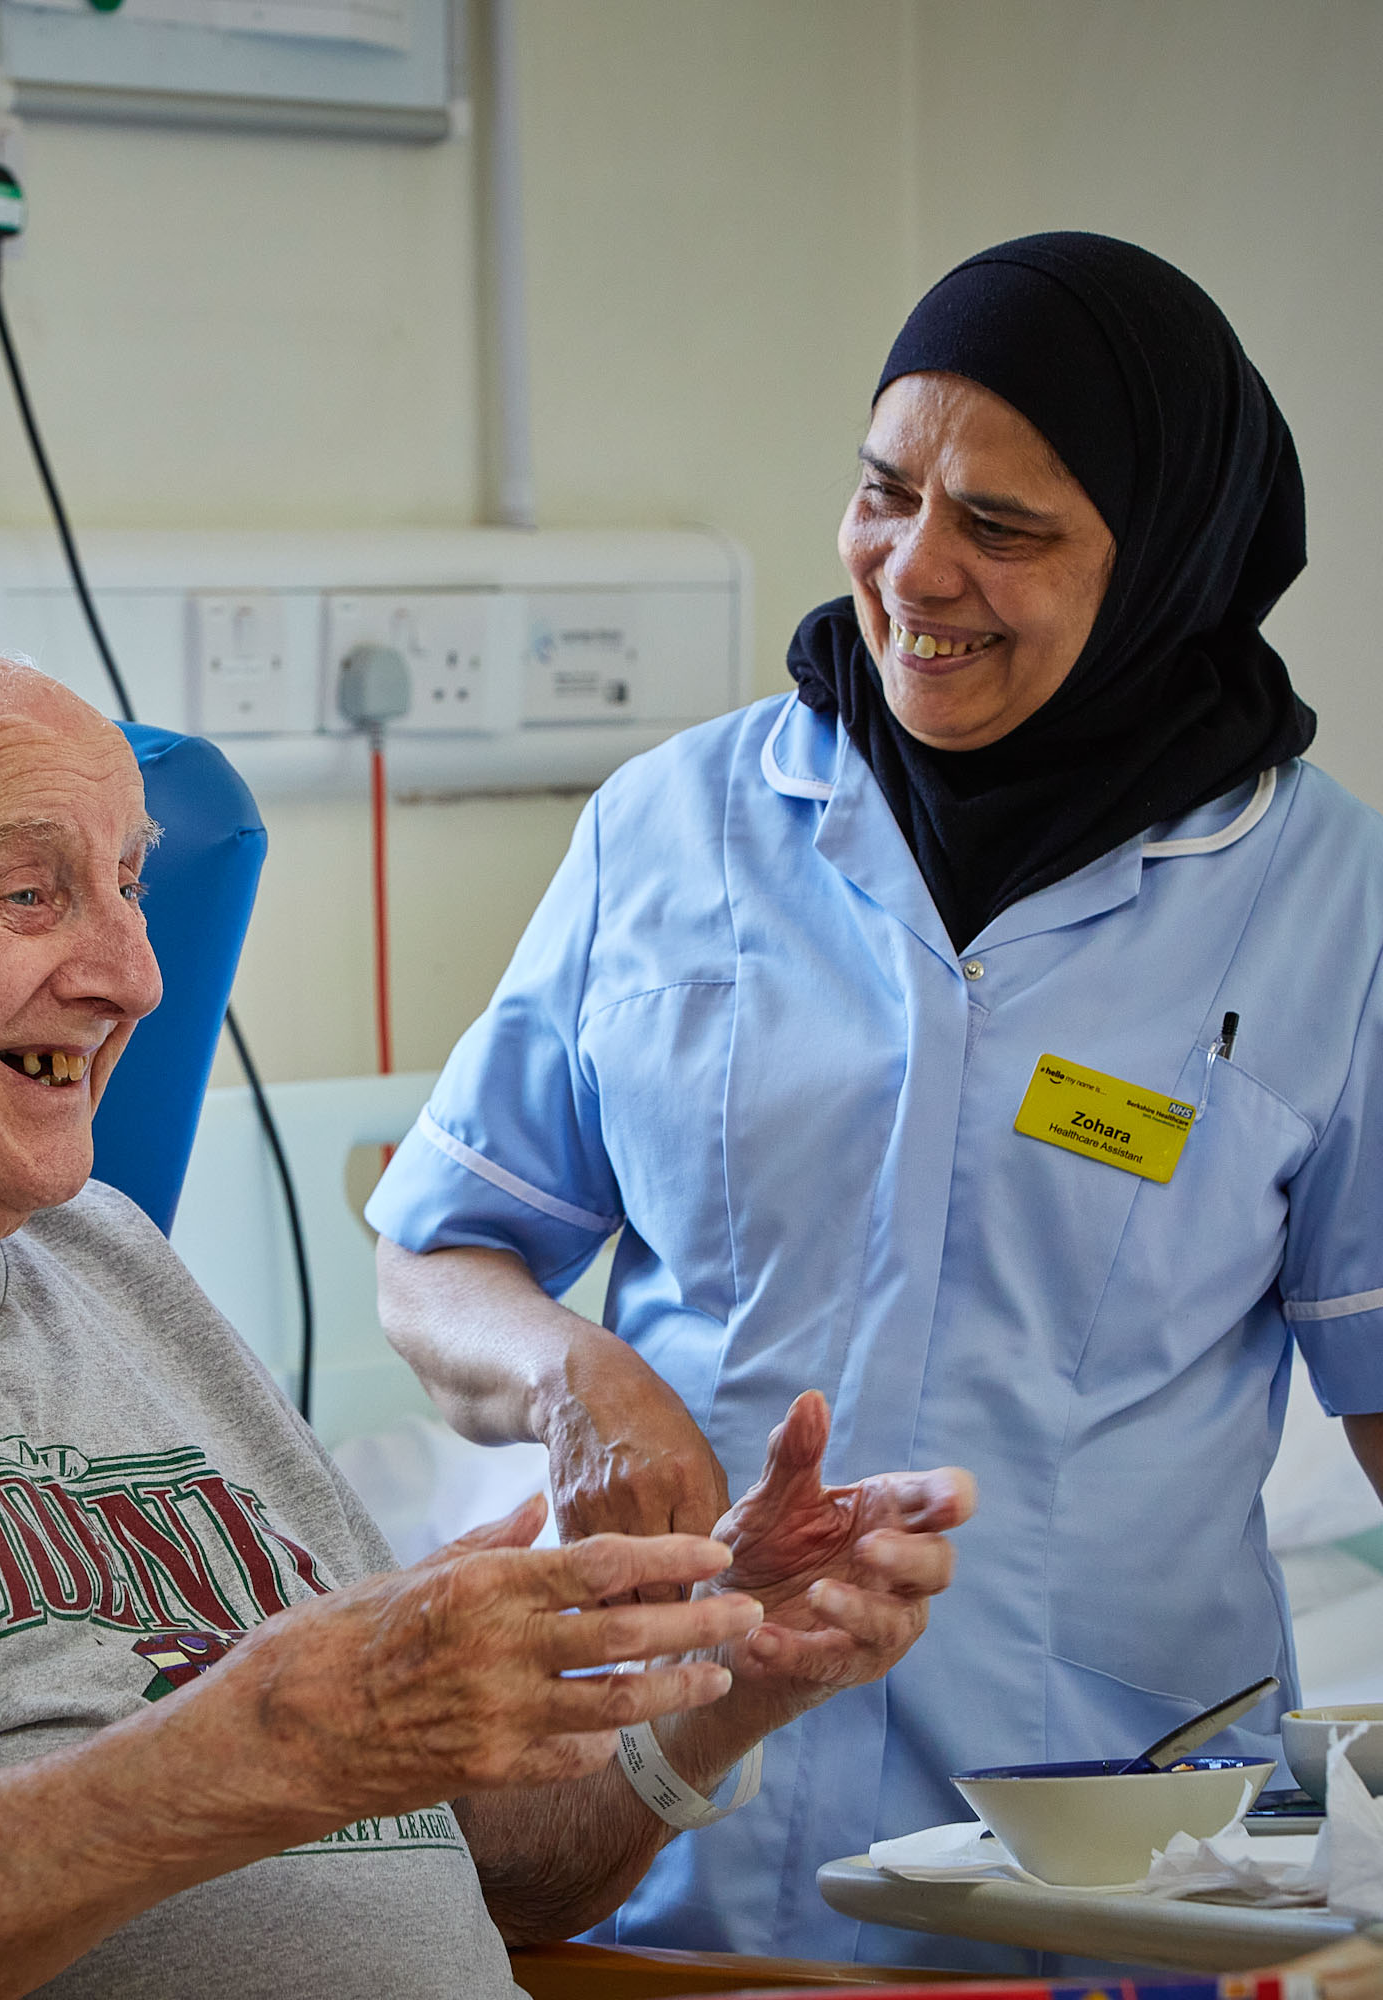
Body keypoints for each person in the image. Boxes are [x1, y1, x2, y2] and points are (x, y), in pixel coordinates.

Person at [0, 637, 972, 1999]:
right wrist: (262, 1741)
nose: (137, 976)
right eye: (33, 892)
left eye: (133, 886)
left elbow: (486, 1883)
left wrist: (724, 1669)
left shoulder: (108, 1256)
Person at [368, 231, 1383, 1970]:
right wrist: (576, 1378)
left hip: (1103, 1865)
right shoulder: (673, 827)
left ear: (1161, 568)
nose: (914, 569)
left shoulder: (1318, 901)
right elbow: (435, 1261)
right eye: (885, 491)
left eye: (1003, 526)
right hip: (660, 1826)